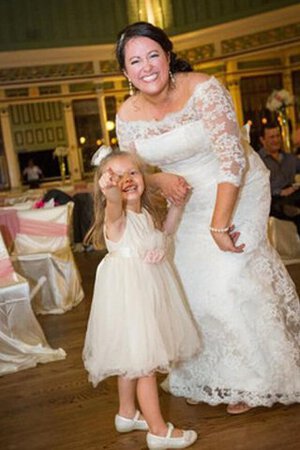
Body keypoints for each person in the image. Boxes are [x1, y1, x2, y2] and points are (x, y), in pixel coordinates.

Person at [115, 21, 300, 414]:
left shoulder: (204, 88)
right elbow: (129, 170)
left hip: (235, 185)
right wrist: (156, 177)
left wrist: (219, 224)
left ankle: (253, 378)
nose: (146, 67)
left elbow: (232, 157)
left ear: (168, 55)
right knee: (189, 281)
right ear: (125, 71)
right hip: (182, 198)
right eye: (135, 61)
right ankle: (207, 372)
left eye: (153, 55)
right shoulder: (127, 113)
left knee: (228, 274)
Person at [82, 148, 201, 449]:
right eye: (117, 176)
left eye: (132, 173)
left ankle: (126, 413)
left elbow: (163, 234)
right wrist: (111, 195)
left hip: (145, 290)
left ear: (143, 176)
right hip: (129, 295)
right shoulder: (116, 217)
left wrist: (177, 206)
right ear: (106, 185)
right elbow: (113, 208)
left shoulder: (144, 213)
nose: (127, 180)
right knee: (144, 362)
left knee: (131, 359)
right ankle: (158, 431)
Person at [258, 123, 300, 235]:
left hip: (294, 195)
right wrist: (280, 192)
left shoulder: (290, 158)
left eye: (278, 136)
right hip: (273, 200)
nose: (276, 140)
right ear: (262, 140)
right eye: (272, 137)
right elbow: (257, 187)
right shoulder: (258, 161)